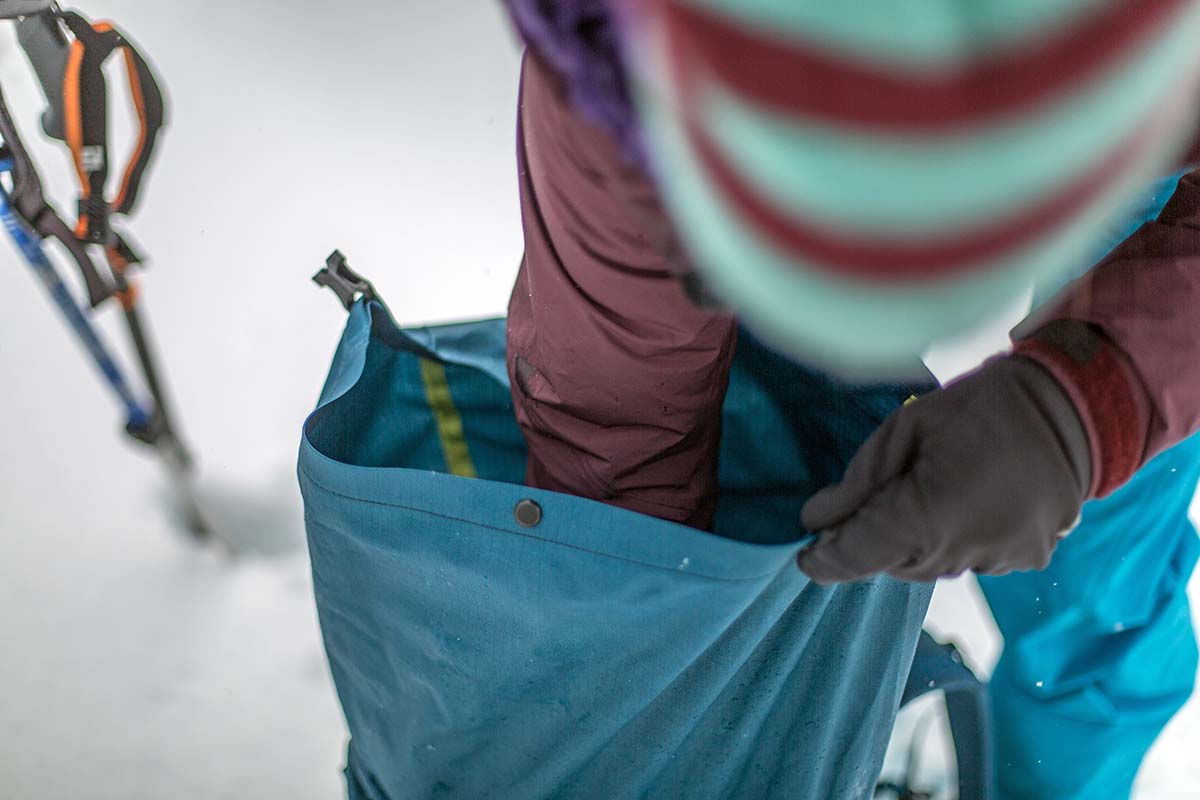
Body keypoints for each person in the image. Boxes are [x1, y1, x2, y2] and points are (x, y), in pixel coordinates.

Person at [499, 1, 1200, 798]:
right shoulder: (616, 66)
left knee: (1103, 564)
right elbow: (615, 412)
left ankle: (1050, 782)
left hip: (1128, 108)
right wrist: (645, 650)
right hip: (683, 129)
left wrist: (1089, 403)